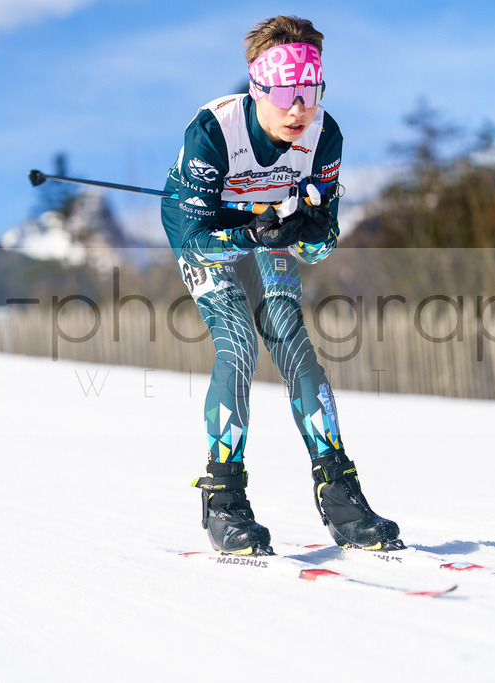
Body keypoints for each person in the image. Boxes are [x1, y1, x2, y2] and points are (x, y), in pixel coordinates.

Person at [161, 15, 402, 556]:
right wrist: (251, 228)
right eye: (287, 93)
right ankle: (223, 500)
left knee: (295, 348)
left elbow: (321, 244)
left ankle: (341, 495)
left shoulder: (324, 134)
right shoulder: (212, 131)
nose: (300, 109)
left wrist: (300, 228)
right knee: (240, 348)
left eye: (310, 91)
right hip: (209, 236)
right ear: (258, 89)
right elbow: (197, 239)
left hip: (263, 231)